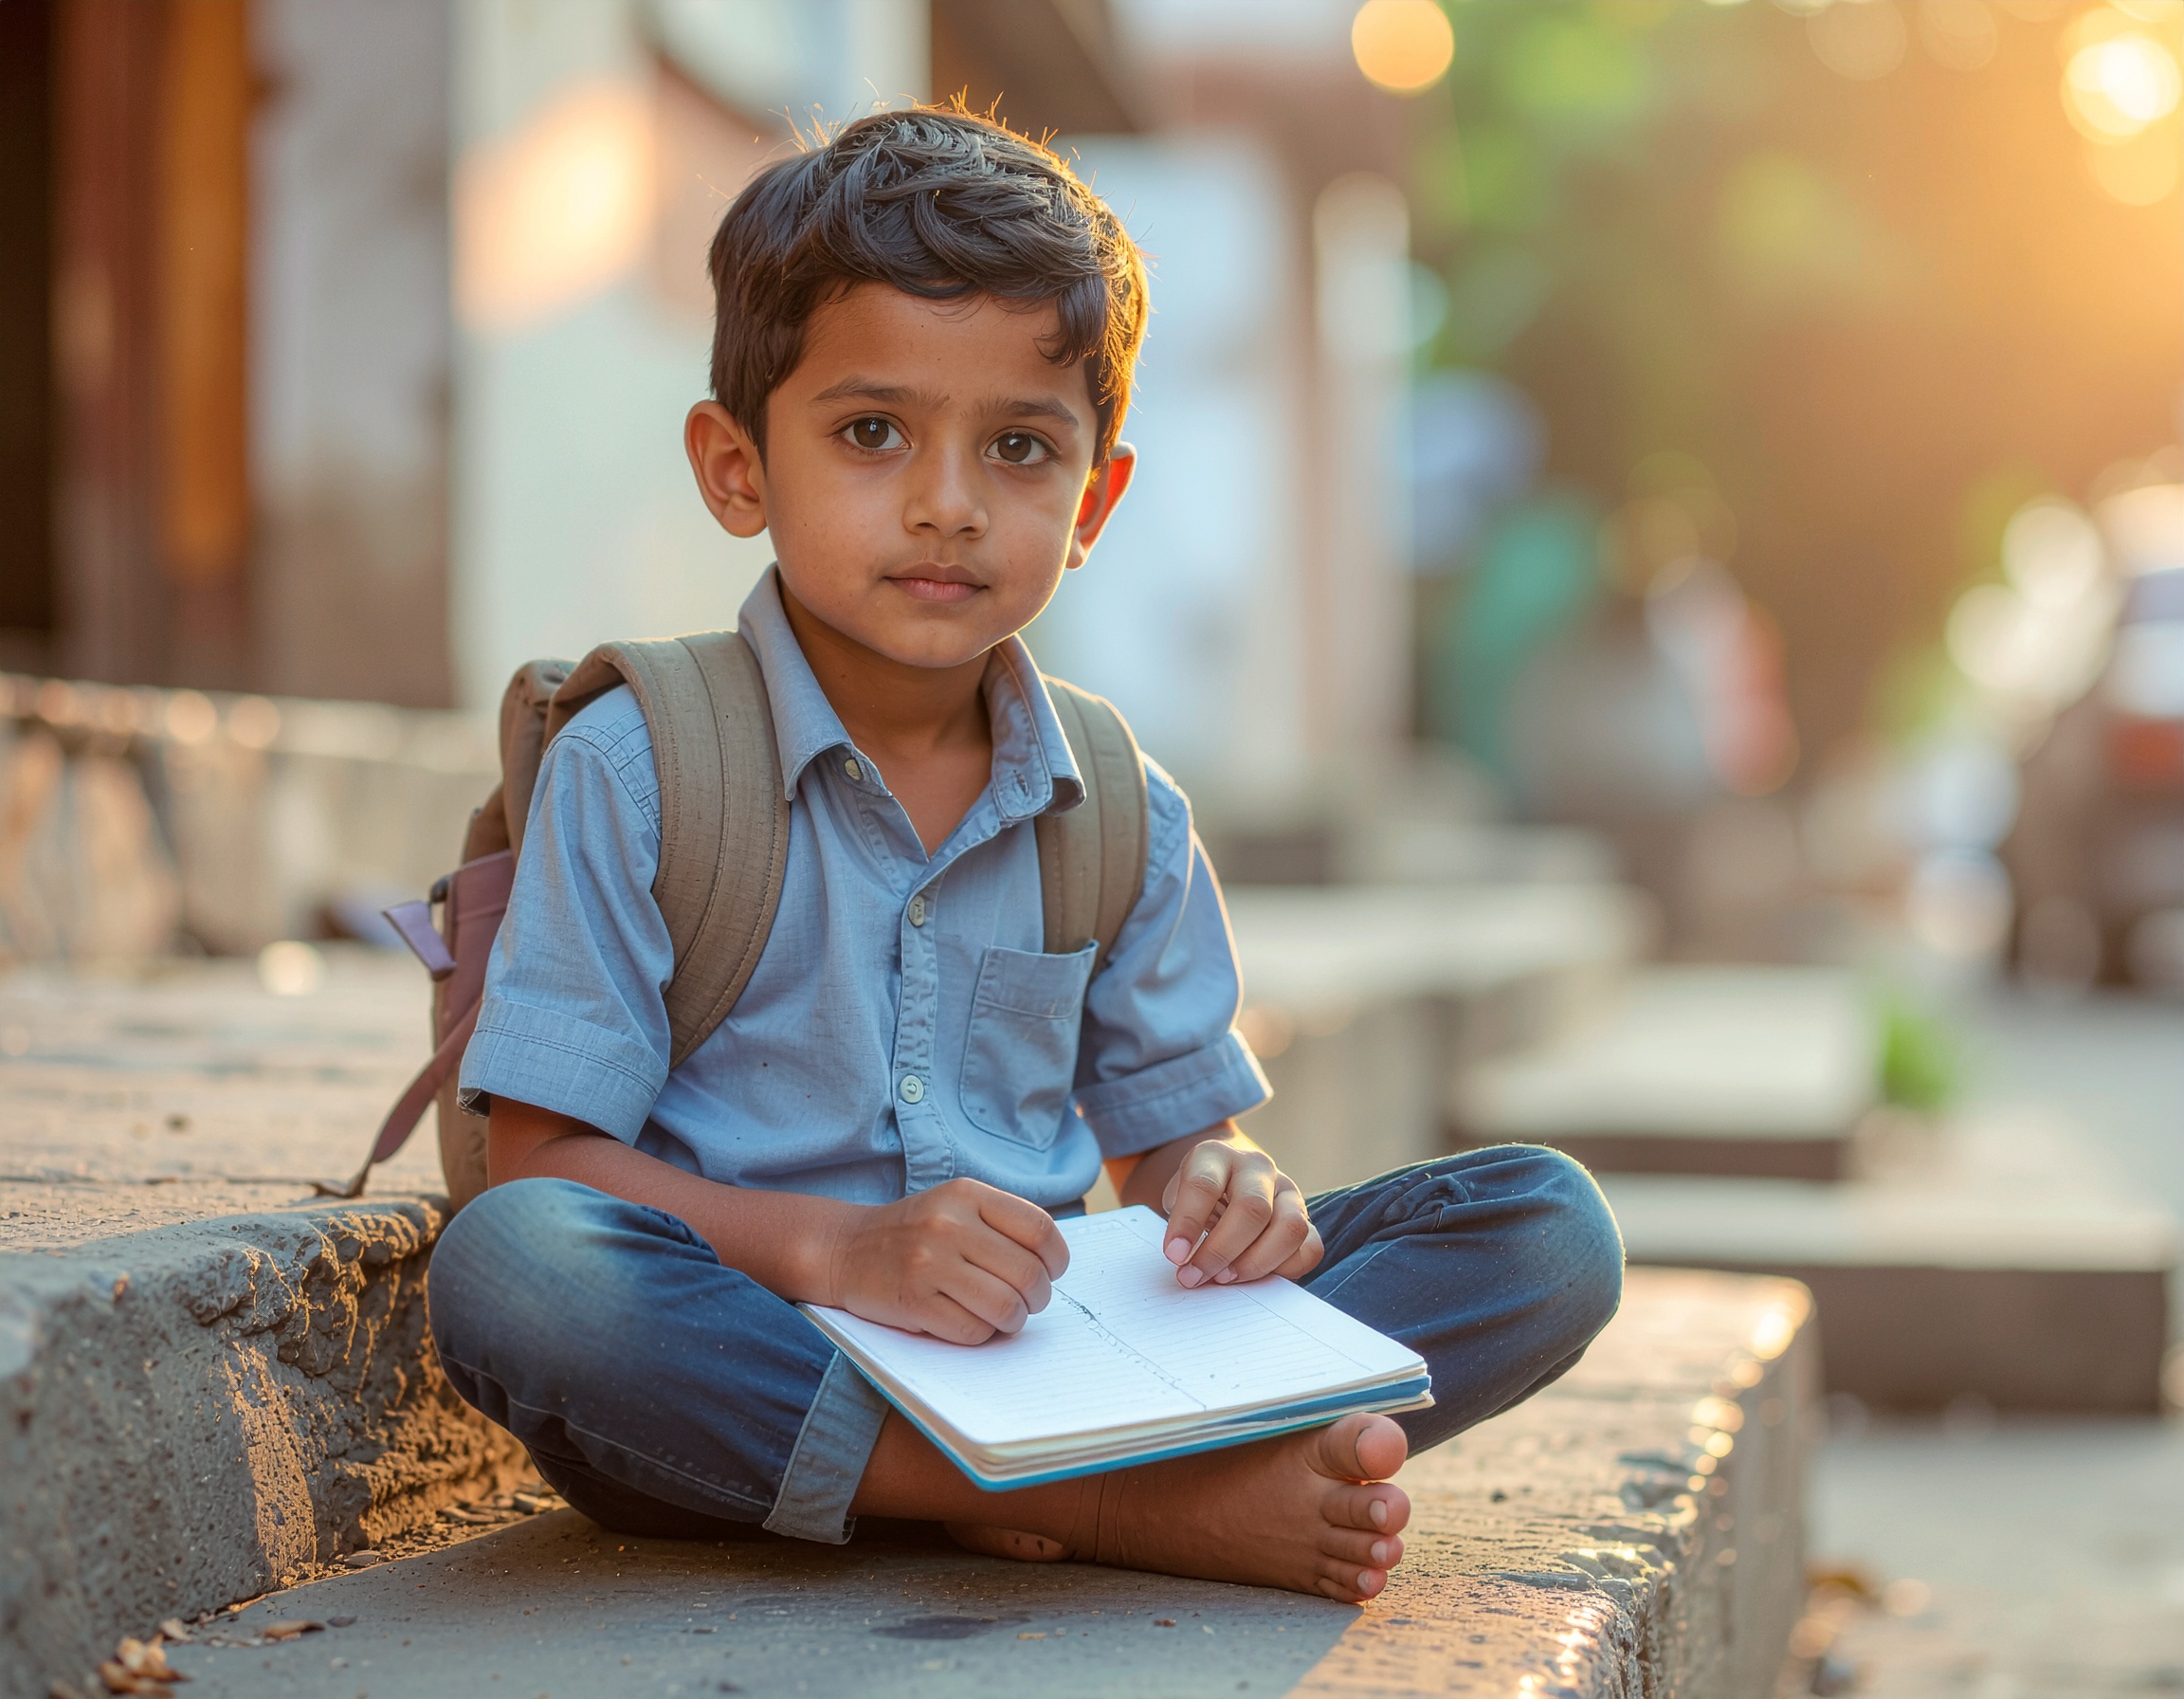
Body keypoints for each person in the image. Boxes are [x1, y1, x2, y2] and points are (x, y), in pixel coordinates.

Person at [427, 104, 1623, 1605]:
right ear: (737, 468)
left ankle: (1086, 1469)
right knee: (518, 1270)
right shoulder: (643, 762)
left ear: (1096, 499)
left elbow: (1168, 1147)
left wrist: (1225, 1191)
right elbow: (542, 1170)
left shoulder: (1118, 803)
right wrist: (846, 1255)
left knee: (1546, 1226)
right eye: (871, 433)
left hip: (1048, 1351)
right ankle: (1130, 1508)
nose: (946, 501)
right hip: (763, 1349)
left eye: (1018, 447)